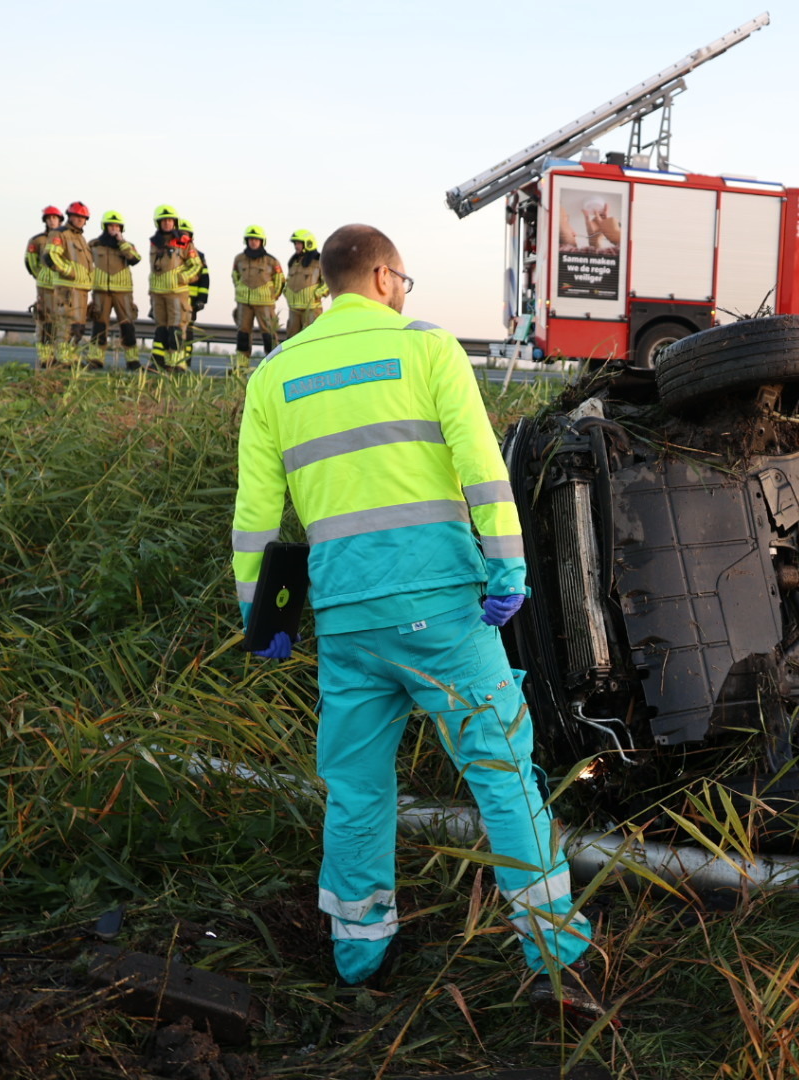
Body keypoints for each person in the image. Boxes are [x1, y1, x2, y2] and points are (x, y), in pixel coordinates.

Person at [229, 223, 605, 1019]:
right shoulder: (427, 350)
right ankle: (554, 955)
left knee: (356, 788)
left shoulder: (275, 374)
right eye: (403, 280)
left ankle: (359, 951)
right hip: (444, 612)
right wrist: (507, 566)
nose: (405, 292)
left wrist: (261, 615)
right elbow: (482, 469)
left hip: (346, 618)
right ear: (382, 277)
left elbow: (256, 512)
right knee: (503, 774)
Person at [88, 210, 142, 370]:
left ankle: (132, 360)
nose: (113, 229)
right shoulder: (94, 245)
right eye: (111, 226)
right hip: (101, 291)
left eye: (117, 226)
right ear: (104, 227)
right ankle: (95, 360)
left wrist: (121, 242)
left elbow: (135, 259)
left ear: (121, 228)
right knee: (99, 326)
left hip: (122, 292)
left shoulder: (127, 245)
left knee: (127, 326)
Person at [149, 204, 200, 372]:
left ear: (175, 223)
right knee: (162, 331)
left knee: (176, 330)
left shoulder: (184, 242)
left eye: (170, 221)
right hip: (158, 293)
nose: (167, 223)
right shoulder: (154, 242)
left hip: (177, 293)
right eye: (163, 221)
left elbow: (196, 265)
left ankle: (177, 364)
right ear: (158, 223)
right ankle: (164, 364)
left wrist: (182, 277)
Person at [47, 201, 94, 365]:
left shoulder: (80, 238)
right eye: (77, 216)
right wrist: (69, 272)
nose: (80, 220)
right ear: (70, 217)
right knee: (66, 324)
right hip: (67, 288)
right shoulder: (60, 233)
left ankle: (71, 357)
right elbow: (50, 257)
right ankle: (62, 358)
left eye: (83, 217)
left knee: (78, 327)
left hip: (81, 289)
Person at [231, 225, 283, 369]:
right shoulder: (239, 259)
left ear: (262, 241)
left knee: (269, 335)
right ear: (246, 241)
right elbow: (235, 276)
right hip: (244, 302)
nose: (253, 242)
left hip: (264, 303)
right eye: (251, 239)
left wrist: (273, 295)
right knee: (243, 333)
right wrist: (240, 289)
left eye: (256, 240)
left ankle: (273, 366)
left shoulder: (271, 261)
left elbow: (280, 280)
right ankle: (241, 366)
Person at [25, 206, 63, 367]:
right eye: (49, 218)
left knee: (63, 323)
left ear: (60, 220)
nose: (52, 221)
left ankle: (62, 357)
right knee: (46, 321)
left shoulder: (66, 238)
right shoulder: (37, 240)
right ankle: (45, 357)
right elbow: (30, 261)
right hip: (46, 287)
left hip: (64, 287)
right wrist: (41, 275)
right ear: (45, 221)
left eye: (55, 218)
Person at [284, 229, 327, 336]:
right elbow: (288, 280)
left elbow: (328, 281)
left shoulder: (319, 260)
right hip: (294, 309)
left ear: (308, 243)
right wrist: (286, 291)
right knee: (291, 339)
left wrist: (317, 294)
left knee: (311, 338)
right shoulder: (294, 261)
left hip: (311, 308)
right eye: (295, 243)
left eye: (299, 243)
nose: (296, 246)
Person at [179, 218, 209, 366]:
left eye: (186, 234)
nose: (183, 236)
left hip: (191, 302)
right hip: (173, 299)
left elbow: (204, 279)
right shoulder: (170, 253)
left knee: (188, 332)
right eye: (181, 233)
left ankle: (185, 362)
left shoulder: (199, 256)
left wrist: (201, 299)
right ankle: (171, 362)